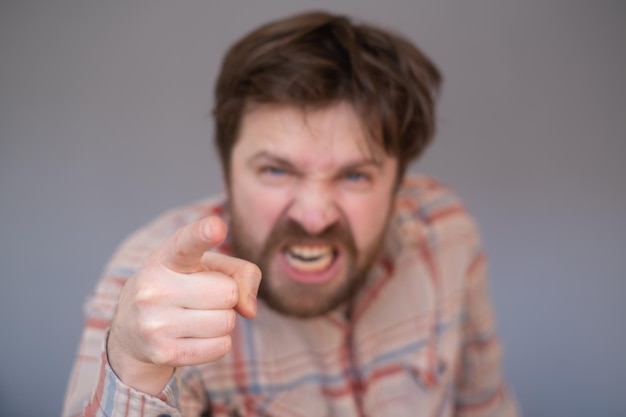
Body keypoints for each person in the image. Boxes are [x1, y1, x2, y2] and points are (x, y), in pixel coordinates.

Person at [63, 10, 519, 417]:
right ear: (227, 171)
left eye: (355, 176)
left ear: (399, 183)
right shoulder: (149, 293)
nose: (315, 217)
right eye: (277, 170)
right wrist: (134, 365)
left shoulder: (446, 232)